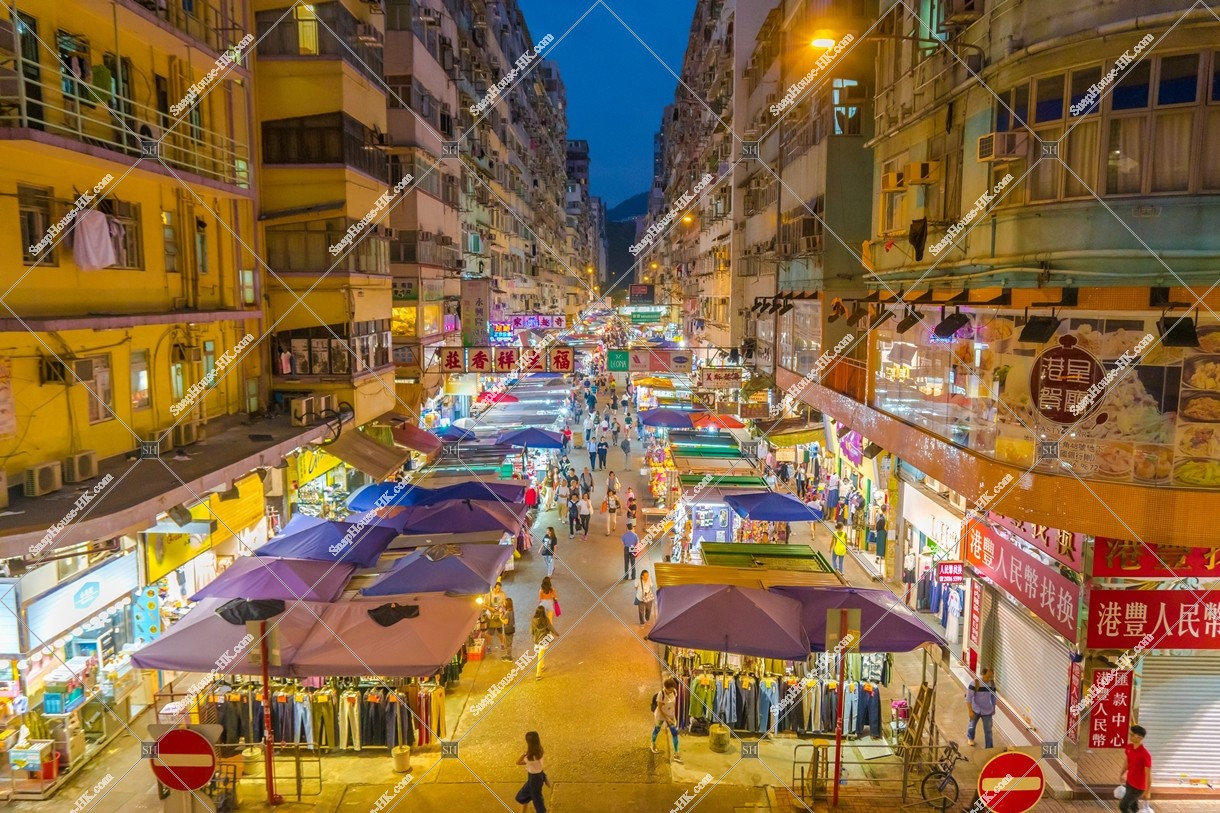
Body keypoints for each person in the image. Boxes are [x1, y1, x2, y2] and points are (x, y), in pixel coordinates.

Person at [1119, 725, 1152, 813]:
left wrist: (1148, 791)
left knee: (1123, 806)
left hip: (1138, 787)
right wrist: (1122, 773)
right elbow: (1127, 762)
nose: (1130, 736)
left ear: (1140, 737)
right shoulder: (1129, 747)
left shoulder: (1145, 754)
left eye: (1132, 735)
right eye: (1130, 734)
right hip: (1129, 782)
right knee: (1134, 807)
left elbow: (1148, 774)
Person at [515, 731, 549, 812]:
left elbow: (518, 762)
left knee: (537, 800)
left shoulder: (529, 757)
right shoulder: (540, 751)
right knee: (524, 797)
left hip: (533, 778)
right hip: (538, 776)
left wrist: (523, 754)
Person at [650, 677, 682, 762]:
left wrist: (673, 717)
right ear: (666, 688)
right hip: (661, 715)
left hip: (670, 715)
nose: (671, 691)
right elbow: (660, 708)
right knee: (657, 729)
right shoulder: (661, 694)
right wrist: (667, 718)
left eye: (672, 689)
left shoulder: (674, 692)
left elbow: (673, 706)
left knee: (674, 733)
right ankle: (652, 744)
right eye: (670, 690)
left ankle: (676, 753)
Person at [965, 667, 998, 748]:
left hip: (987, 710)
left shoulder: (992, 684)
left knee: (988, 730)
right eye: (987, 677)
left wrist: (993, 708)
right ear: (983, 674)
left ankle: (989, 747)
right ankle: (970, 738)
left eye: (991, 677)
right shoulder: (974, 683)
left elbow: (993, 697)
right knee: (972, 725)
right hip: (976, 709)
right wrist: (970, 711)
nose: (989, 679)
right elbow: (968, 698)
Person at [532, 606, 557, 680]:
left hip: (536, 640)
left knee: (540, 655)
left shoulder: (533, 620)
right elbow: (550, 628)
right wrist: (556, 633)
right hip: (544, 640)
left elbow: (531, 631)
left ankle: (542, 666)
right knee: (540, 657)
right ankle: (538, 674)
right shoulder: (546, 620)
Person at [501, 596, 516, 661]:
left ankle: (509, 657)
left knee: (508, 644)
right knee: (509, 643)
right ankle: (507, 655)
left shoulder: (507, 612)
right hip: (511, 629)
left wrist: (500, 618)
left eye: (505, 603)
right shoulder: (511, 610)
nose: (504, 603)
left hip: (508, 630)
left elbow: (506, 622)